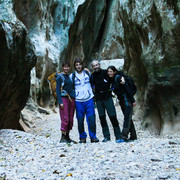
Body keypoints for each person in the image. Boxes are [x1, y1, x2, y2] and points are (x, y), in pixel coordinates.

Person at [91, 60, 122, 142]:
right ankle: (106, 136)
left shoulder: (106, 72)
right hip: (98, 98)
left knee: (112, 116)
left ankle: (118, 135)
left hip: (107, 96)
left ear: (99, 65)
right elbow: (91, 85)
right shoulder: (93, 76)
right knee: (102, 117)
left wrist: (113, 88)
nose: (95, 67)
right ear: (92, 67)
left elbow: (116, 75)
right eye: (94, 66)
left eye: (97, 65)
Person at [70, 58, 99, 143]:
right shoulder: (73, 76)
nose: (78, 66)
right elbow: (70, 86)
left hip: (89, 99)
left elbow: (93, 82)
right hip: (78, 101)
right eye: (76, 65)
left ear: (82, 65)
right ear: (75, 66)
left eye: (80, 64)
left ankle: (93, 137)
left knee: (91, 119)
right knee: (80, 119)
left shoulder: (87, 73)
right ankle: (82, 137)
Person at [107, 65, 137, 142]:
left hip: (127, 100)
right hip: (122, 101)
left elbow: (127, 89)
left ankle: (124, 136)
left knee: (127, 118)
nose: (109, 73)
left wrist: (133, 100)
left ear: (114, 72)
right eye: (108, 72)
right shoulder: (112, 80)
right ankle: (133, 135)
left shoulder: (119, 78)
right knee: (128, 117)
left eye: (111, 71)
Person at [56, 62, 76, 143]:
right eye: (65, 67)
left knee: (71, 118)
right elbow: (57, 90)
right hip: (64, 98)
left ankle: (67, 136)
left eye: (68, 67)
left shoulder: (70, 76)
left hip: (71, 98)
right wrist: (60, 101)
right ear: (62, 67)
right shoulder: (60, 77)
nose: (66, 69)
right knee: (65, 118)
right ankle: (63, 137)